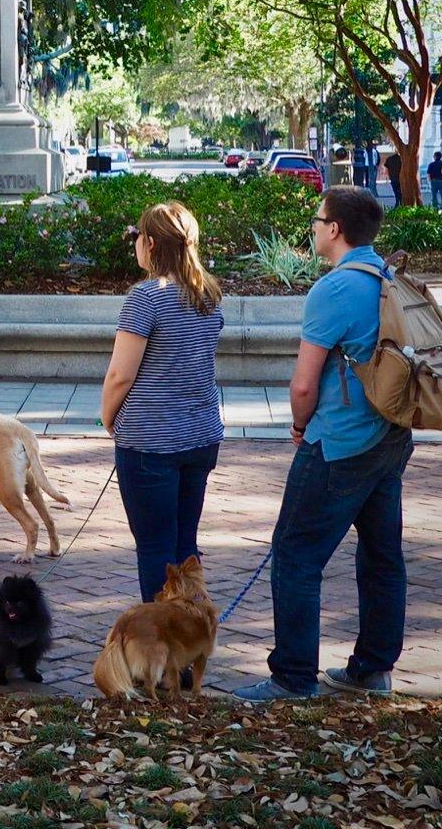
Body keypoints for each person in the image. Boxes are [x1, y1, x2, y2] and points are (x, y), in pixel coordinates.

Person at [234, 185, 412, 703]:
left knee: (294, 554)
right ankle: (372, 670)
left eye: (318, 220)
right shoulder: (388, 276)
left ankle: (292, 677)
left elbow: (304, 384)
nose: (313, 227)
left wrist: (298, 425)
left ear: (334, 229)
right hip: (391, 439)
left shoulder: (333, 290)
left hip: (339, 443)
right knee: (383, 557)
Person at [103, 202, 224, 605]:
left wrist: (108, 417)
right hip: (201, 434)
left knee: (155, 548)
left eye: (137, 237)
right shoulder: (208, 293)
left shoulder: (146, 298)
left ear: (150, 244)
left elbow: (121, 374)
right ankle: (189, 638)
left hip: (149, 442)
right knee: (185, 544)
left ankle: (163, 645)